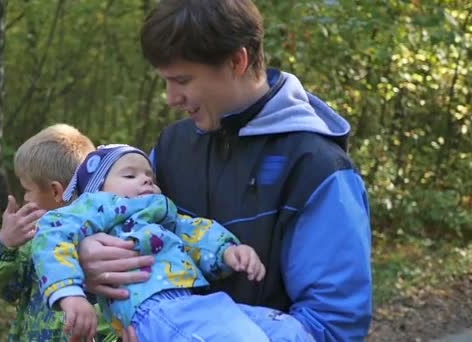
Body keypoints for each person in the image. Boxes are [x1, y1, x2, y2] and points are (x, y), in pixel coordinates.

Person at [76, 1, 373, 341]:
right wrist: (90, 261)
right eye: (166, 81)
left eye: (182, 80)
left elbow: (332, 327)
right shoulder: (171, 149)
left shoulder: (317, 168)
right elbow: (115, 240)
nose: (171, 98)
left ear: (237, 61)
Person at [31, 144, 308, 342]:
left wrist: (229, 251)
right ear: (97, 189)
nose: (145, 180)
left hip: (199, 305)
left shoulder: (165, 215)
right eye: (129, 175)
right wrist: (69, 294)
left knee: (288, 331)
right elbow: (52, 231)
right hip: (152, 311)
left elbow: (196, 231)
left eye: (149, 177)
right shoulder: (98, 206)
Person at [0, 124, 95, 341]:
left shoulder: (100, 243)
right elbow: (7, 289)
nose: (25, 198)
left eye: (27, 189)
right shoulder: (35, 238)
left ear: (56, 191)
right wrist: (5, 244)